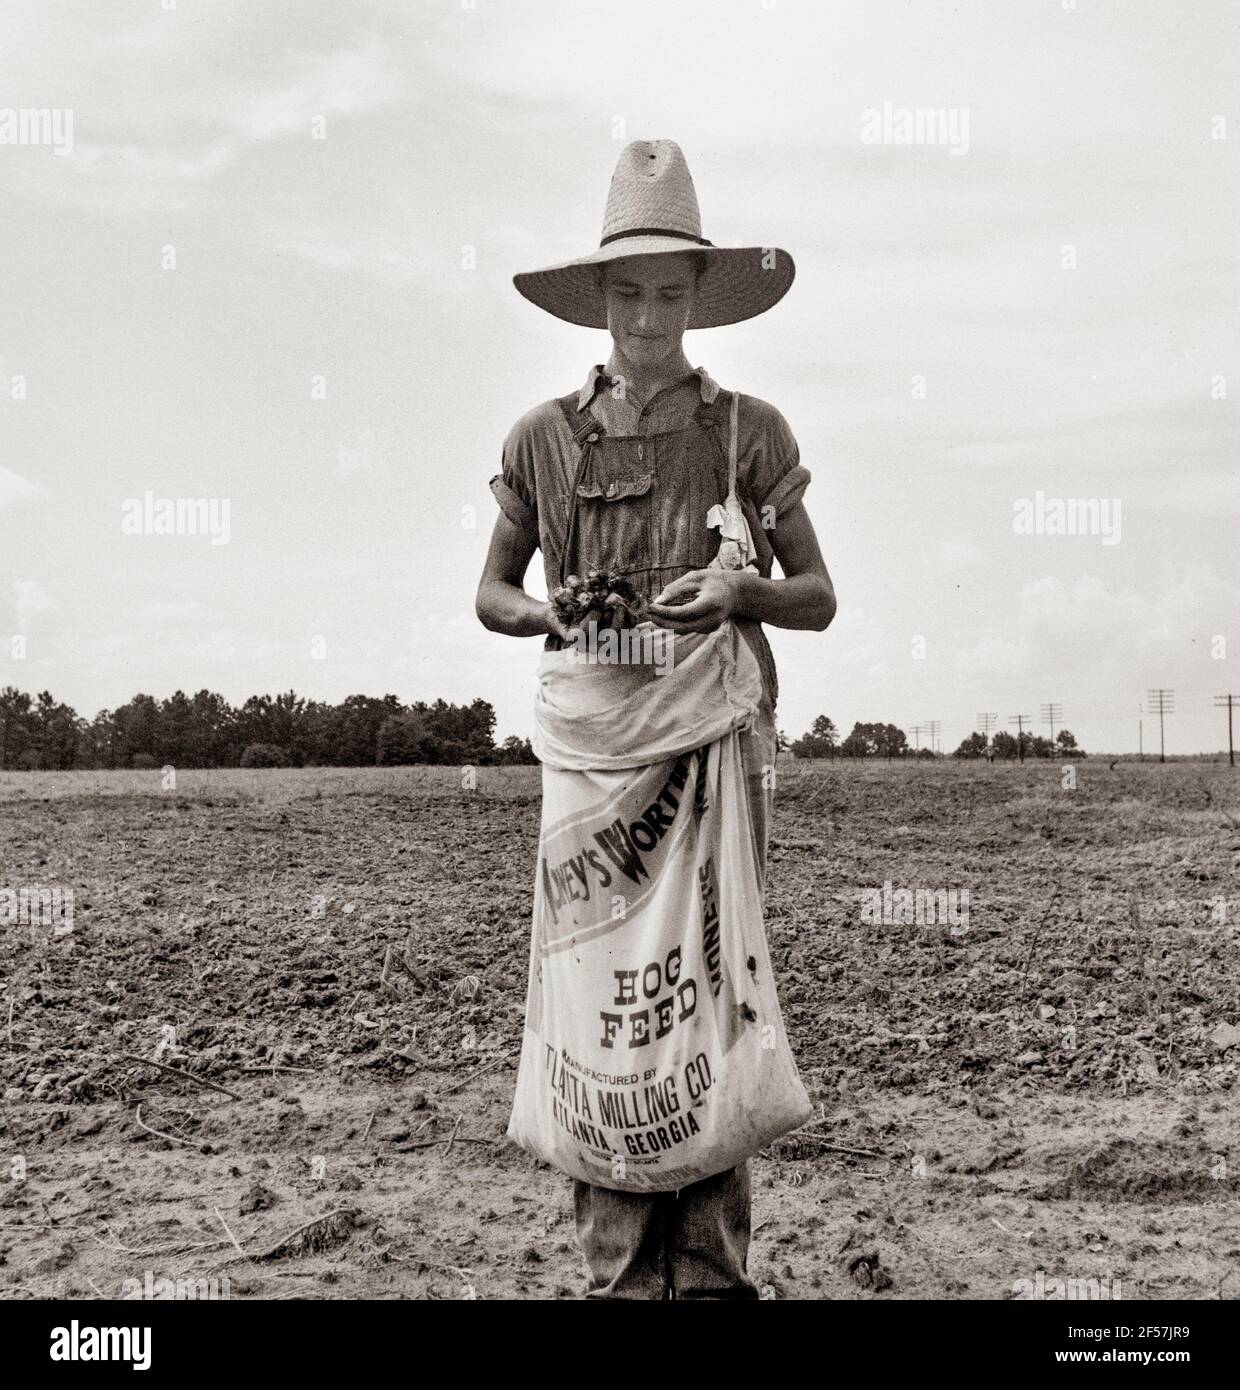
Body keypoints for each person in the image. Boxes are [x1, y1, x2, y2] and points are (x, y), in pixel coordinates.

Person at [476, 139, 836, 1299]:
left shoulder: (746, 433)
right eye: (626, 293)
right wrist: (544, 618)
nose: (646, 316)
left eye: (669, 292)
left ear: (698, 298)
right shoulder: (542, 436)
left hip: (717, 751)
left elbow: (819, 598)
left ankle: (716, 1272)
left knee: (707, 997)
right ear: (600, 300)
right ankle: (622, 1273)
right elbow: (490, 591)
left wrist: (741, 592)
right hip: (594, 763)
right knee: (602, 1004)